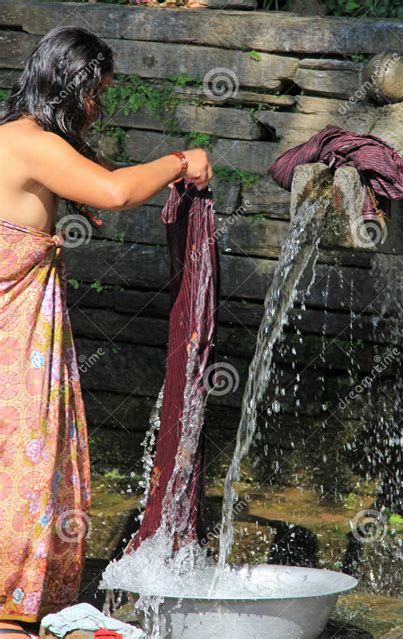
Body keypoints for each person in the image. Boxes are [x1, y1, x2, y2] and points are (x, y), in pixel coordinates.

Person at [0, 25, 212, 638]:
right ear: (75, 88)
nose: (100, 107)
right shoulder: (33, 145)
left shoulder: (15, 137)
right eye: (98, 93)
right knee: (24, 471)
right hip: (17, 353)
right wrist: (182, 161)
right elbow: (117, 192)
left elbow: (90, 178)